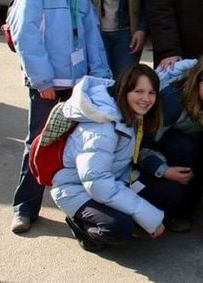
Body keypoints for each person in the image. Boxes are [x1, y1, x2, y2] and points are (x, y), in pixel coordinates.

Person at [7, 0, 111, 234]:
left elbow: (92, 36)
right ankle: (25, 207)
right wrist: (42, 80)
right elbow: (25, 34)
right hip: (48, 85)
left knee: (76, 148)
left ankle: (77, 209)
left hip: (77, 83)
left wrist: (100, 77)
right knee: (37, 144)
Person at [51, 66, 184, 252]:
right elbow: (97, 184)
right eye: (139, 91)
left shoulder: (123, 107)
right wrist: (148, 216)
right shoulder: (102, 129)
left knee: (171, 193)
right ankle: (80, 225)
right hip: (77, 188)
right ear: (124, 89)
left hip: (116, 177)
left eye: (151, 93)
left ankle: (123, 214)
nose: (146, 99)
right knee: (119, 228)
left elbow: (163, 77)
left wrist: (189, 65)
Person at [145, 51, 203, 233]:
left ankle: (193, 199)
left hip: (200, 139)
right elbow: (144, 144)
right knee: (184, 146)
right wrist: (163, 170)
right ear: (196, 83)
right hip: (167, 149)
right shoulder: (173, 100)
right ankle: (174, 210)